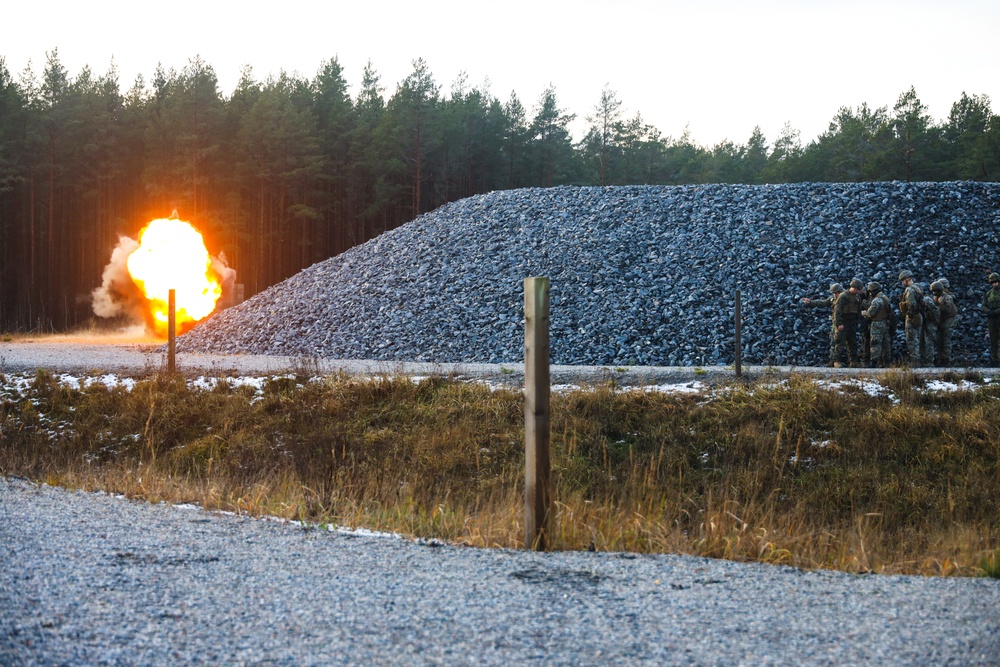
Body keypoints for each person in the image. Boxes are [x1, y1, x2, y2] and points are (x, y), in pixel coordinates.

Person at [801, 283, 844, 366]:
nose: (835, 294)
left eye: (836, 292)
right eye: (834, 293)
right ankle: (833, 360)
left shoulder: (846, 298)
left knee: (841, 342)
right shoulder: (833, 299)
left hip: (844, 323)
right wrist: (811, 302)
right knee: (833, 341)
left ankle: (841, 360)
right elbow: (823, 302)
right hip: (836, 323)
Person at [833, 279, 865, 367]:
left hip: (852, 323)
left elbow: (858, 310)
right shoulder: (843, 296)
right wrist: (839, 323)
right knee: (840, 342)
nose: (859, 291)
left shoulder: (857, 297)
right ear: (854, 288)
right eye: (858, 289)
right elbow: (837, 310)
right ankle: (836, 361)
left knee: (852, 343)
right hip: (844, 322)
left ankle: (853, 361)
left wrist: (858, 321)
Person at [861, 281, 892, 367]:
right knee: (886, 343)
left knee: (875, 342)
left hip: (877, 323)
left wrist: (864, 313)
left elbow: (870, 313)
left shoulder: (877, 300)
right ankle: (887, 362)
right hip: (885, 322)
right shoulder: (885, 298)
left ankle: (874, 362)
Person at [898, 270, 923, 367]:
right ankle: (918, 359)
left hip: (912, 316)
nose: (902, 283)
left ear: (907, 279)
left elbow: (911, 304)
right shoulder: (918, 287)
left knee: (912, 338)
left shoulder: (909, 290)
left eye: (903, 280)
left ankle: (915, 361)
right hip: (919, 315)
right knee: (917, 337)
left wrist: (909, 314)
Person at [931, 280, 957, 366]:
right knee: (939, 341)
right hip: (940, 322)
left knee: (946, 341)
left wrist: (938, 307)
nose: (934, 293)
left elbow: (947, 310)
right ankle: (940, 358)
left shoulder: (947, 298)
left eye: (935, 291)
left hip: (947, 322)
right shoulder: (935, 298)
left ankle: (946, 359)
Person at [919, 282, 940, 367]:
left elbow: (935, 311)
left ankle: (929, 362)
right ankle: (924, 360)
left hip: (929, 323)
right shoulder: (920, 300)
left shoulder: (926, 299)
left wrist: (935, 321)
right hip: (924, 323)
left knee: (929, 343)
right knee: (922, 342)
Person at [982, 273, 1000, 365]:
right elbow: (983, 305)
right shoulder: (988, 293)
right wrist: (988, 311)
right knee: (993, 340)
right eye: (993, 282)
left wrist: (996, 312)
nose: (995, 284)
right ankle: (995, 360)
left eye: (996, 282)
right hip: (992, 319)